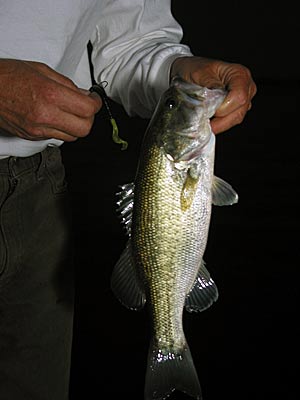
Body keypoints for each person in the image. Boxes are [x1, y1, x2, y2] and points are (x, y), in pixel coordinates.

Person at [0, 1, 257, 399]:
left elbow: (130, 40)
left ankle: (168, 342)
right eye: (176, 102)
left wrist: (174, 67)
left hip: (39, 193)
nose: (182, 98)